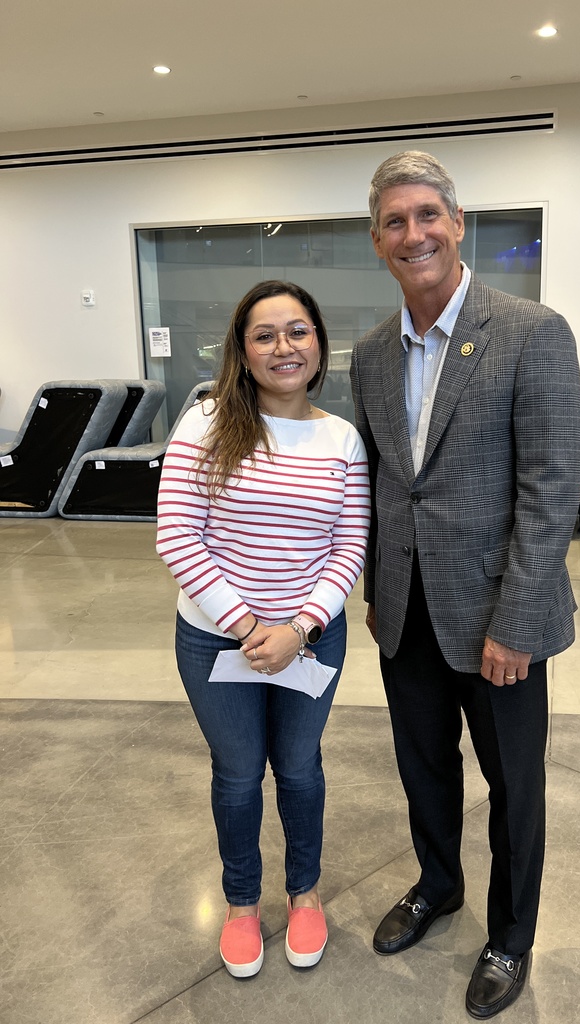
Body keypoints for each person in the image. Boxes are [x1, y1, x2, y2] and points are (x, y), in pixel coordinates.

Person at [350, 152, 580, 1019]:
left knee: (515, 788)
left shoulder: (531, 331)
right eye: (395, 222)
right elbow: (382, 484)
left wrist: (517, 622)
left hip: (499, 621)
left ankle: (510, 936)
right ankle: (437, 886)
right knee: (423, 772)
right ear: (378, 243)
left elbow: (551, 488)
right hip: (406, 615)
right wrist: (378, 589)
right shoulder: (371, 356)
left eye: (426, 215)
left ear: (456, 223)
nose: (414, 234)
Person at [157, 280, 370, 978]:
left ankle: (303, 893)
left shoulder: (341, 437)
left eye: (298, 331)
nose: (284, 346)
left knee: (302, 770)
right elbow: (179, 538)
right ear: (242, 352)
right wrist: (254, 627)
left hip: (312, 637)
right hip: (218, 639)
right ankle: (243, 903)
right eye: (265, 334)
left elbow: (350, 544)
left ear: (319, 345)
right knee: (240, 775)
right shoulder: (207, 423)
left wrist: (300, 628)